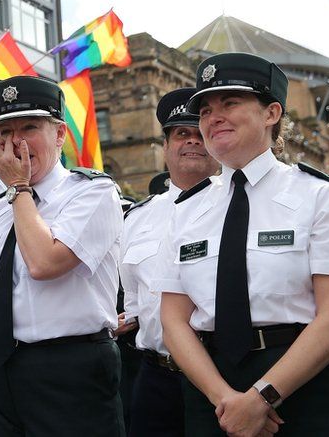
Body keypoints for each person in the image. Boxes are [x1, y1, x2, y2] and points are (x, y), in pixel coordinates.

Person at [156, 53, 329, 436]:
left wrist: (261, 398)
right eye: (205, 110)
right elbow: (173, 320)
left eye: (230, 103)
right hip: (212, 391)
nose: (213, 117)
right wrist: (227, 401)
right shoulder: (186, 210)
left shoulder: (321, 196)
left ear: (271, 113)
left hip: (308, 382)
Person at [0, 76, 125, 436]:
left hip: (67, 368)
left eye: (29, 127)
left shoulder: (92, 192)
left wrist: (19, 190)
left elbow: (44, 263)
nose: (16, 142)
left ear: (59, 135)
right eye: (5, 132)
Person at [119, 88, 219, 437]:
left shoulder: (239, 204)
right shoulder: (138, 217)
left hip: (222, 375)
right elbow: (133, 300)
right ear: (165, 147)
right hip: (155, 376)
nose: (191, 141)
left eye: (199, 133)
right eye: (181, 134)